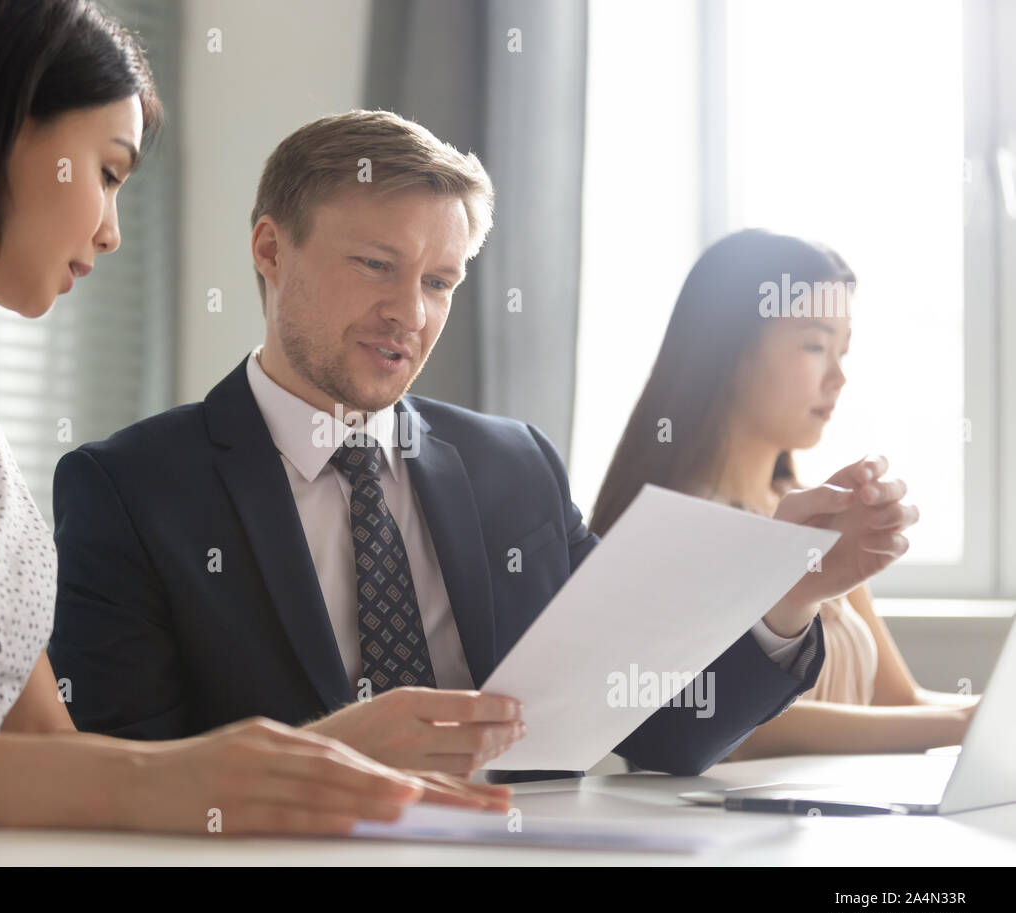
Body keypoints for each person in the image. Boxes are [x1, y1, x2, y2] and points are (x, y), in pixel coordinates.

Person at [0, 0, 509, 854]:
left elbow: (47, 757)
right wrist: (159, 779)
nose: (112, 230)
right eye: (106, 170)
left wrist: (320, 757)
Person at [47, 110, 919, 780]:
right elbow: (123, 781)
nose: (410, 314)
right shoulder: (129, 491)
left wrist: (790, 590)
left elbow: (664, 730)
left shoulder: (515, 467)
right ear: (270, 249)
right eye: (377, 266)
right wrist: (329, 753)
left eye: (440, 281)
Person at [590, 229, 977, 760]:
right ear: (729, 350)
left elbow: (899, 700)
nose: (839, 375)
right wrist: (961, 722)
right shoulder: (671, 526)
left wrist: (981, 716)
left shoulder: (815, 514)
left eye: (844, 350)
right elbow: (730, 726)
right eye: (816, 345)